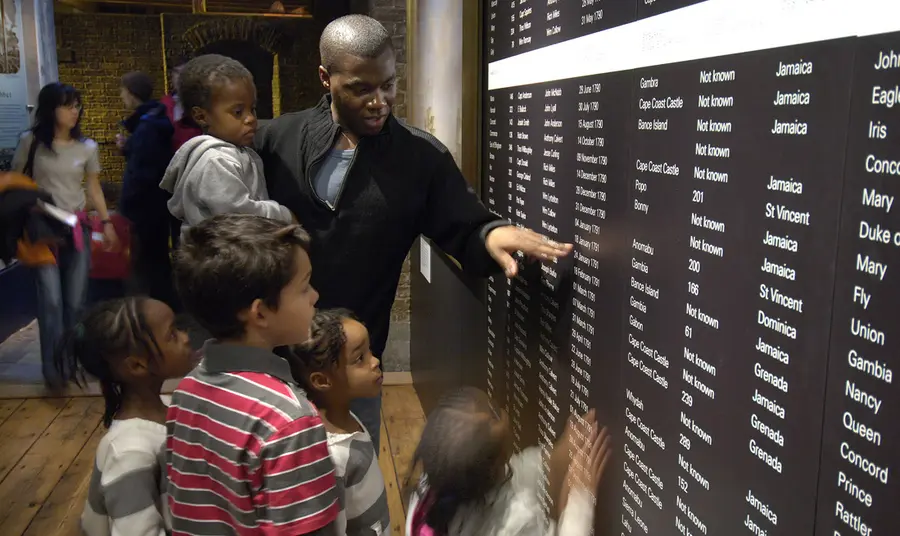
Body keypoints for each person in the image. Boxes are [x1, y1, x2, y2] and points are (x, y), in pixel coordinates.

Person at [255, 15, 572, 449]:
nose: (380, 101)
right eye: (361, 88)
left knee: (355, 478)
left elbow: (463, 224)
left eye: (387, 84)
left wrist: (490, 234)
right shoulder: (275, 140)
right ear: (326, 78)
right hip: (271, 357)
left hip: (354, 364)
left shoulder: (420, 157)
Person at [165, 213, 340, 535]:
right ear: (260, 312)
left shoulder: (186, 390)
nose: (315, 296)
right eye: (303, 288)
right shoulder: (288, 420)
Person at [52, 296, 193, 536]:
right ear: (137, 365)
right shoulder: (129, 453)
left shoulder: (171, 408)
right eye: (172, 334)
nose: (186, 337)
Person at [11, 82, 119, 389]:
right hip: (41, 231)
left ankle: (72, 362)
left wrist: (107, 222)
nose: (76, 111)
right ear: (50, 109)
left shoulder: (87, 147)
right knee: (52, 302)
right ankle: (53, 370)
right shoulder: (30, 142)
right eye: (68, 105)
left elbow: (93, 186)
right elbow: (19, 182)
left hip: (76, 229)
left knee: (74, 303)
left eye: (77, 105)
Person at [405, 388, 610, 536]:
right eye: (494, 413)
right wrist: (578, 503)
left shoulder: (434, 488)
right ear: (496, 466)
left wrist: (551, 459)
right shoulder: (518, 522)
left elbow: (510, 473)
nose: (501, 409)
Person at [160, 54, 293, 239]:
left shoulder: (237, 151)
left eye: (252, 109)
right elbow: (239, 214)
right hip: (220, 260)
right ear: (201, 116)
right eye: (238, 112)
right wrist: (283, 215)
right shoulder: (215, 160)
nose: (251, 118)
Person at [286, 308, 390, 536]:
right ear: (322, 380)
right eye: (359, 358)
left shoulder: (348, 417)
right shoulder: (332, 457)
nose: (375, 362)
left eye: (369, 351)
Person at [116, 71, 179, 309]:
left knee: (150, 259)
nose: (122, 96)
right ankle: (164, 302)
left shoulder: (146, 127)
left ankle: (159, 306)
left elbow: (142, 172)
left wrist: (126, 206)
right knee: (157, 256)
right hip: (156, 202)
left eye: (123, 91)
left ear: (132, 94)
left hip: (145, 206)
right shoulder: (154, 121)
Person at [160, 55, 203, 154]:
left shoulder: (202, 103)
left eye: (184, 73)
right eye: (177, 73)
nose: (180, 77)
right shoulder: (165, 103)